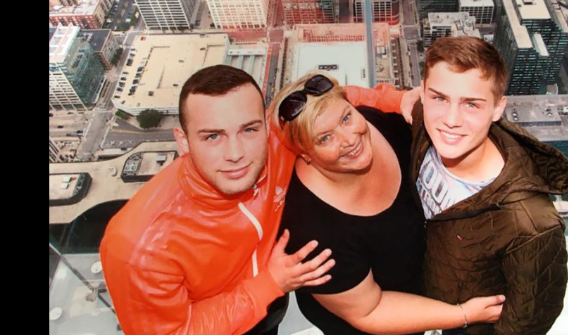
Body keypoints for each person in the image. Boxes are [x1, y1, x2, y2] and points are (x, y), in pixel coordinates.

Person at [100, 65, 411, 335]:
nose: (236, 153)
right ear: (183, 140)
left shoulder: (274, 138)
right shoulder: (137, 248)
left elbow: (333, 105)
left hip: (273, 307)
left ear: (264, 123)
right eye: (212, 136)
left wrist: (399, 100)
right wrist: (269, 283)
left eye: (248, 130)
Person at [272, 73, 507, 335]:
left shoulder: (379, 123)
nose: (349, 139)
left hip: (427, 280)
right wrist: (462, 314)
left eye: (346, 118)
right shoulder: (310, 231)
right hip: (377, 320)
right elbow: (369, 311)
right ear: (304, 153)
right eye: (325, 138)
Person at [409, 37, 568, 335]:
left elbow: (526, 323)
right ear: (423, 93)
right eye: (439, 98)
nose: (450, 120)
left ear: (498, 108)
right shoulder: (423, 121)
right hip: (420, 290)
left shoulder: (531, 227)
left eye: (471, 104)